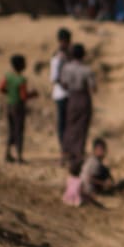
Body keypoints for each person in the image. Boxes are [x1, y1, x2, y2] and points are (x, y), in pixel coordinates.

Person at [59, 43, 97, 169]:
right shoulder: (87, 70)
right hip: (83, 98)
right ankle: (77, 155)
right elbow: (93, 88)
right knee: (82, 127)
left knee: (70, 125)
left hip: (72, 98)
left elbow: (63, 84)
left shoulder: (66, 68)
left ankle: (66, 152)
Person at [0, 54, 37, 163]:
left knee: (11, 130)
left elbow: (1, 88)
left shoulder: (8, 76)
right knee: (19, 131)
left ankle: (7, 153)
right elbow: (23, 96)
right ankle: (19, 156)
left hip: (9, 105)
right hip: (18, 107)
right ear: (21, 65)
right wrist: (33, 94)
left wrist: (10, 94)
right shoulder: (21, 80)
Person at [50, 28, 72, 158]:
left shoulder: (67, 55)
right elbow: (54, 77)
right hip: (61, 94)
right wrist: (66, 84)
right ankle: (63, 150)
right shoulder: (57, 57)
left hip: (68, 94)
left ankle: (67, 149)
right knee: (62, 123)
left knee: (68, 123)